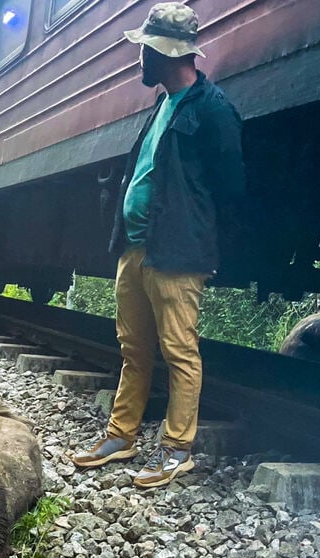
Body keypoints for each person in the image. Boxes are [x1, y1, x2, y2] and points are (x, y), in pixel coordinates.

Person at [70, 2, 247, 488]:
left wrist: (205, 248)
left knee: (179, 350)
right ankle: (121, 435)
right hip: (136, 247)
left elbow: (231, 190)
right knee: (134, 347)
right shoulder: (162, 105)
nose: (138, 60)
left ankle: (176, 449)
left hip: (177, 252)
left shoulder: (213, 110)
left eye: (144, 51)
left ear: (166, 54)